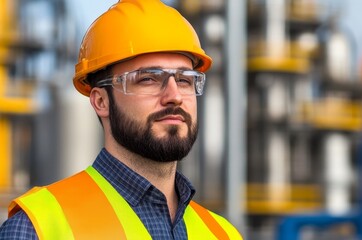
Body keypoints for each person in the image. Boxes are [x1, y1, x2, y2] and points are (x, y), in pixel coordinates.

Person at [0, 0, 242, 239]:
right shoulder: (37, 229)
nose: (174, 96)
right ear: (101, 102)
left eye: (184, 79)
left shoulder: (222, 234)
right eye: (148, 79)